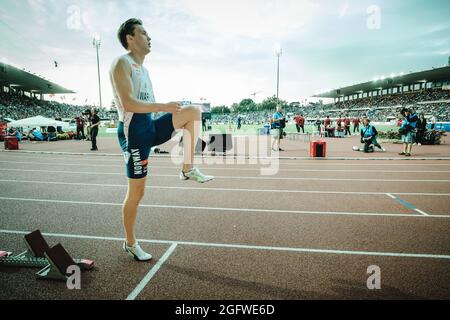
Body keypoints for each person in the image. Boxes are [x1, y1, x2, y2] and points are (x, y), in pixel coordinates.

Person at [110, 18, 214, 261]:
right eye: (144, 33)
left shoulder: (144, 70)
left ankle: (187, 169)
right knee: (137, 194)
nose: (149, 38)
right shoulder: (121, 63)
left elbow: (147, 106)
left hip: (150, 126)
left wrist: (165, 111)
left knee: (193, 112)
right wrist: (163, 106)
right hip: (133, 134)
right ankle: (130, 242)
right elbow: (128, 104)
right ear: (130, 38)